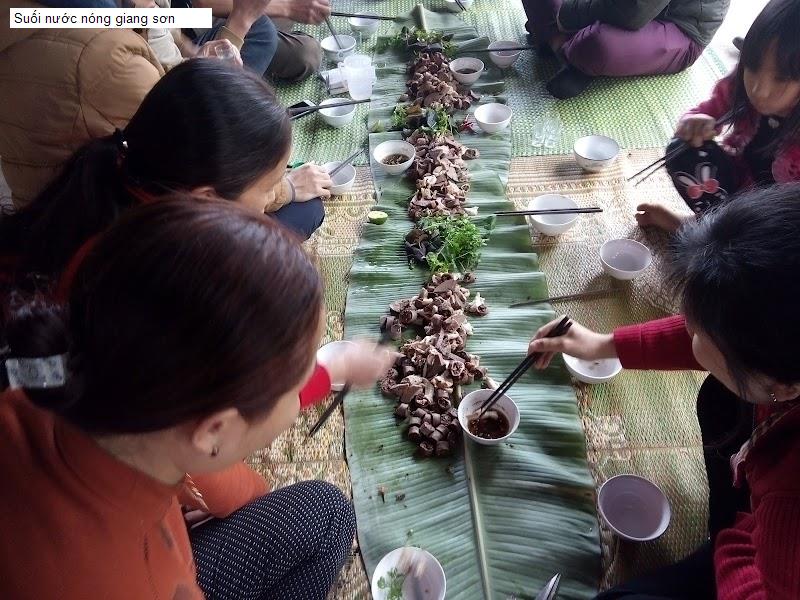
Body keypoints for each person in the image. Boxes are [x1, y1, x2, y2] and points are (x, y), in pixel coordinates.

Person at [0, 198, 393, 599]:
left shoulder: (70, 381)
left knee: (322, 512)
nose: (304, 385)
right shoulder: (134, 580)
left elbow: (216, 471)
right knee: (327, 515)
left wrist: (332, 372)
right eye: (296, 381)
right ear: (211, 431)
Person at [528, 185, 800, 598]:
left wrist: (737, 537)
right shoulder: (778, 349)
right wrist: (603, 344)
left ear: (783, 383)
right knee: (722, 399)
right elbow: (723, 330)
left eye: (697, 330)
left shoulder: (789, 504)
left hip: (762, 559)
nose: (685, 326)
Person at [0, 59, 331, 311]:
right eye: (268, 186)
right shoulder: (168, 276)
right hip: (98, 382)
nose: (273, 194)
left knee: (303, 209)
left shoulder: (119, 167)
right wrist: (330, 372)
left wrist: (283, 189)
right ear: (206, 199)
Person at [638, 0, 800, 233]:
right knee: (683, 150)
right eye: (752, 68)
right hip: (734, 192)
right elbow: (705, 111)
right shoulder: (738, 86)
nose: (758, 90)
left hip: (779, 226)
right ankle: (711, 229)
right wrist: (695, 123)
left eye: (781, 79)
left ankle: (706, 235)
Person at [522, 0, 730, 99]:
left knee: (600, 44)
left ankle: (563, 44)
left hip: (680, 26)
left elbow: (634, 12)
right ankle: (573, 53)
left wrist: (568, 16)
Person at [191, 0, 328, 82]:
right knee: (305, 53)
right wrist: (287, 7)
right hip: (189, 20)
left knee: (306, 53)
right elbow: (199, 4)